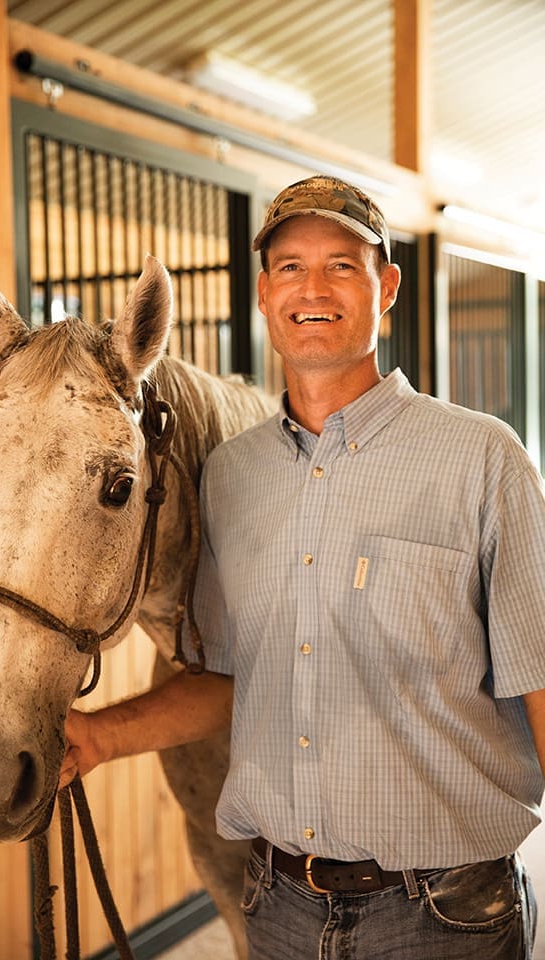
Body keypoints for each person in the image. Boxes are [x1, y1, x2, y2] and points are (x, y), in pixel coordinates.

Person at [60, 175, 545, 959]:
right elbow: (225, 678)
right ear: (263, 292)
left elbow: (541, 679)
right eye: (290, 266)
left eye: (342, 266)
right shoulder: (232, 476)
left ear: (385, 287)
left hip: (446, 917)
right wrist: (94, 737)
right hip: (280, 909)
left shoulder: (483, 460)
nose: (312, 288)